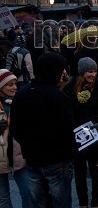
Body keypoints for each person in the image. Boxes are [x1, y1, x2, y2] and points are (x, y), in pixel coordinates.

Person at [10, 52, 74, 208]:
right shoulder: (58, 97)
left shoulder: (22, 93)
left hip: (32, 159)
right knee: (61, 202)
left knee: (38, 202)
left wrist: (27, 145)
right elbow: (67, 130)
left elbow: (15, 128)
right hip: (57, 160)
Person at [62, 57, 98, 208]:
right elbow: (66, 112)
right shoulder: (70, 88)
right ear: (82, 72)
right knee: (80, 173)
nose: (93, 74)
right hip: (77, 136)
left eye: (95, 71)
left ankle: (95, 203)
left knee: (97, 172)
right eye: (90, 71)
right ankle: (83, 203)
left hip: (95, 135)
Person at [0, 69, 30, 208]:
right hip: (1, 156)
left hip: (19, 156)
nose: (14, 87)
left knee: (28, 193)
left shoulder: (20, 101)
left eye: (15, 84)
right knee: (3, 197)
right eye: (9, 84)